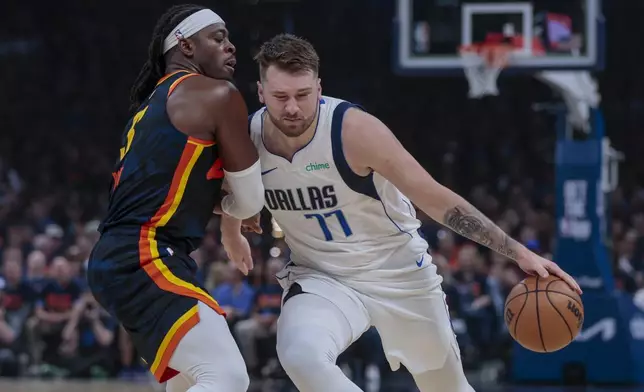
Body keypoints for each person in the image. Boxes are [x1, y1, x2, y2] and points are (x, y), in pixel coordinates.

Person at [220, 33, 582, 392]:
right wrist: (231, 230)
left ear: (319, 87)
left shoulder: (354, 131)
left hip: (400, 276)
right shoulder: (246, 139)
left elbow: (434, 197)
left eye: (302, 95)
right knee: (302, 356)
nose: (293, 107)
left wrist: (517, 251)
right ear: (261, 92)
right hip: (322, 277)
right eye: (281, 97)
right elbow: (236, 188)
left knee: (447, 388)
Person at [87, 5, 265, 392]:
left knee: (188, 381)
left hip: (121, 255)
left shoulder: (152, 104)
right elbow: (251, 200)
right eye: (218, 38)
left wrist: (222, 207)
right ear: (184, 44)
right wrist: (236, 209)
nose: (231, 48)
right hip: (145, 254)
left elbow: (179, 188)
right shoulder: (217, 94)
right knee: (226, 376)